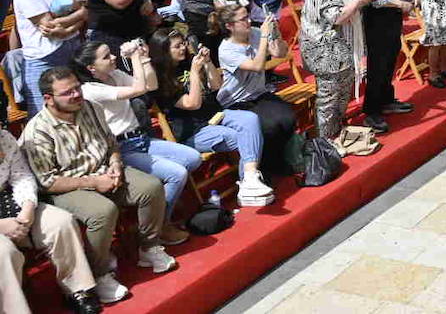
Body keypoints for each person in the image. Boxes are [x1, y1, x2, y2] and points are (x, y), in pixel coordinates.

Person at [20, 67, 174, 303]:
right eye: (67, 93)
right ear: (48, 99)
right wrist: (93, 182)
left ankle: (148, 247)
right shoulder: (38, 130)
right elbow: (47, 182)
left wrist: (115, 163)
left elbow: (111, 143)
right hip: (67, 186)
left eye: (77, 88)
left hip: (104, 170)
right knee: (102, 212)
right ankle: (99, 274)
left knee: (151, 187)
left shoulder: (90, 107)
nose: (76, 95)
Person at [73, 41, 196, 246]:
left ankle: (156, 212)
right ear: (91, 68)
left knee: (192, 158)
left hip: (141, 139)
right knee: (177, 173)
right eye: (106, 57)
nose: (113, 57)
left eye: (111, 53)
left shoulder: (115, 76)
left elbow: (151, 85)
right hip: (120, 149)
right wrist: (133, 58)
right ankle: (159, 226)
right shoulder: (90, 90)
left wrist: (144, 57)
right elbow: (139, 89)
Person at [146, 28, 274, 204]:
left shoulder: (189, 61)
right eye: (177, 46)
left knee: (250, 119)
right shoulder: (160, 79)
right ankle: (249, 184)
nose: (183, 48)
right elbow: (192, 103)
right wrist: (194, 72)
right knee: (241, 137)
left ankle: (248, 182)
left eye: (183, 43)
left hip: (214, 114)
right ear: (164, 51)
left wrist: (207, 63)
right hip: (193, 131)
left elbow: (216, 85)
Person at [0, 125, 101, 314]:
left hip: (11, 201)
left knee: (61, 222)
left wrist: (27, 208)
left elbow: (21, 175)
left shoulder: (4, 137)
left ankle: (77, 290)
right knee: (3, 253)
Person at [300, 0, 377, 141]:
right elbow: (336, 17)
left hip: (342, 48)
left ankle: (337, 132)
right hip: (324, 51)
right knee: (329, 97)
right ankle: (324, 142)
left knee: (343, 94)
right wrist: (360, 0)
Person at [215, 3, 295, 178]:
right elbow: (258, 66)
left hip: (258, 93)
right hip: (236, 102)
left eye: (248, 16)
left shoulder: (256, 34)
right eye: (243, 19)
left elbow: (280, 53)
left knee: (288, 119)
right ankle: (263, 169)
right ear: (229, 26)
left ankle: (275, 162)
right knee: (269, 126)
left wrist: (275, 33)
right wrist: (265, 35)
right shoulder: (226, 49)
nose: (249, 21)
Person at [355, 0, 415, 132]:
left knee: (390, 56)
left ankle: (386, 99)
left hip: (394, 12)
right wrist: (399, 3)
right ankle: (372, 111)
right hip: (379, 14)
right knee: (378, 61)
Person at [14, 0, 87, 116]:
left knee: (79, 109)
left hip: (72, 50)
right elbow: (49, 27)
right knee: (45, 115)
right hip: (44, 58)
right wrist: (77, 16)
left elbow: (84, 13)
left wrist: (69, 27)